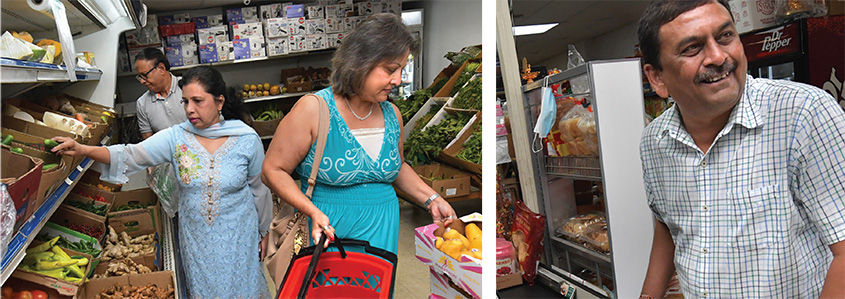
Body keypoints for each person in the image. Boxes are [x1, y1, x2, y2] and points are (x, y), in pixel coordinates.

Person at [636, 1, 845, 298]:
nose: (719, 56)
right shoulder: (654, 142)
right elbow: (668, 225)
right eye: (692, 48)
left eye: (725, 37)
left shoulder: (803, 114)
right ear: (657, 77)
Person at [50, 66, 273, 299]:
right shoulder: (176, 137)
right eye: (185, 101)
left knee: (243, 288)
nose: (190, 109)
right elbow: (131, 155)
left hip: (239, 236)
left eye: (198, 101)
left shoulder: (246, 138)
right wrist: (83, 149)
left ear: (219, 102)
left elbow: (260, 190)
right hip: (198, 240)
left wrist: (264, 231)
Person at [261, 13, 458, 258]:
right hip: (328, 230)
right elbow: (272, 170)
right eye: (390, 70)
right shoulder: (314, 109)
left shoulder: (391, 114)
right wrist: (311, 211)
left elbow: (397, 167)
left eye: (401, 70)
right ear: (359, 62)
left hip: (382, 233)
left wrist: (432, 198)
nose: (397, 80)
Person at [134, 47, 187, 139]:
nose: (142, 81)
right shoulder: (142, 103)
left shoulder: (188, 87)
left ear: (161, 68)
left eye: (144, 75)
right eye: (139, 77)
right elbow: (148, 143)